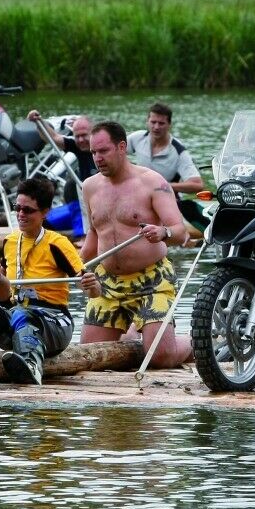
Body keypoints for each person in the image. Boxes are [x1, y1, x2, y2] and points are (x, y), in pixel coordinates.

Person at [78, 120, 192, 368]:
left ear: (121, 147)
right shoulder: (89, 187)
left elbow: (179, 230)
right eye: (93, 152)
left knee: (160, 358)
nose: (97, 158)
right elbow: (93, 234)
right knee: (88, 355)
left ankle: (193, 343)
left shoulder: (153, 182)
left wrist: (162, 232)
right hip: (107, 283)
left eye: (103, 151)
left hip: (151, 281)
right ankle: (132, 334)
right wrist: (78, 268)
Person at [0, 175, 83, 385]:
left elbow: (91, 287)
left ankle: (32, 365)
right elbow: (4, 296)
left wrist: (90, 283)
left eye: (28, 210)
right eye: (17, 208)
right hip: (18, 314)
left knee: (22, 313)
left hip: (54, 322)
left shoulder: (57, 243)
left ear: (45, 212)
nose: (20, 214)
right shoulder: (10, 242)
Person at [126, 102, 209, 232]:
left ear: (169, 124)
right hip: (138, 197)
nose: (156, 127)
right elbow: (115, 152)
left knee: (187, 208)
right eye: (153, 122)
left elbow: (197, 185)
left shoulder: (178, 151)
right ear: (147, 121)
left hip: (166, 201)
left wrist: (163, 186)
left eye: (161, 123)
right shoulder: (137, 138)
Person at [27, 110, 97, 182]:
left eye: (84, 135)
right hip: (86, 188)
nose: (80, 140)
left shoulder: (106, 150)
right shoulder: (76, 145)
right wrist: (38, 121)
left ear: (94, 133)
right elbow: (53, 138)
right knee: (70, 185)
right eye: (77, 136)